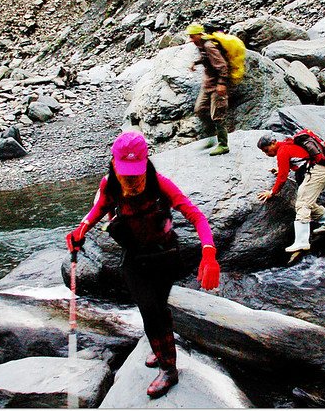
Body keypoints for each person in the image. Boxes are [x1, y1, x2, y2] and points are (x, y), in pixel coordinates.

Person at [65, 131, 220, 399]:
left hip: (165, 256)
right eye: (126, 173)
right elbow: (98, 210)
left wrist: (209, 253)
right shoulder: (110, 185)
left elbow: (197, 216)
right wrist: (81, 230)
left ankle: (164, 358)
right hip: (135, 259)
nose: (132, 180)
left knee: (157, 308)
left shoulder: (161, 185)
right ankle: (168, 365)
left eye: (135, 173)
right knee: (150, 310)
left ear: (146, 161)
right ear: (114, 164)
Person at [256, 132, 325, 253]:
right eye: (264, 152)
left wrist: (272, 192)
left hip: (315, 173)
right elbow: (294, 163)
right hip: (318, 171)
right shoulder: (287, 145)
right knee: (309, 203)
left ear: (273, 143)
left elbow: (283, 177)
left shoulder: (283, 150)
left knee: (302, 204)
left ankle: (302, 242)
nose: (267, 154)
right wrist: (279, 171)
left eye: (267, 150)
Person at [186, 23, 231, 156]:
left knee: (217, 116)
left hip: (217, 86)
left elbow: (222, 66)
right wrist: (196, 62)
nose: (191, 39)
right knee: (199, 109)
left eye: (192, 36)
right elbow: (206, 58)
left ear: (199, 35)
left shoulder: (209, 46)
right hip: (208, 85)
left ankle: (223, 145)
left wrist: (222, 83)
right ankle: (211, 137)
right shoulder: (201, 46)